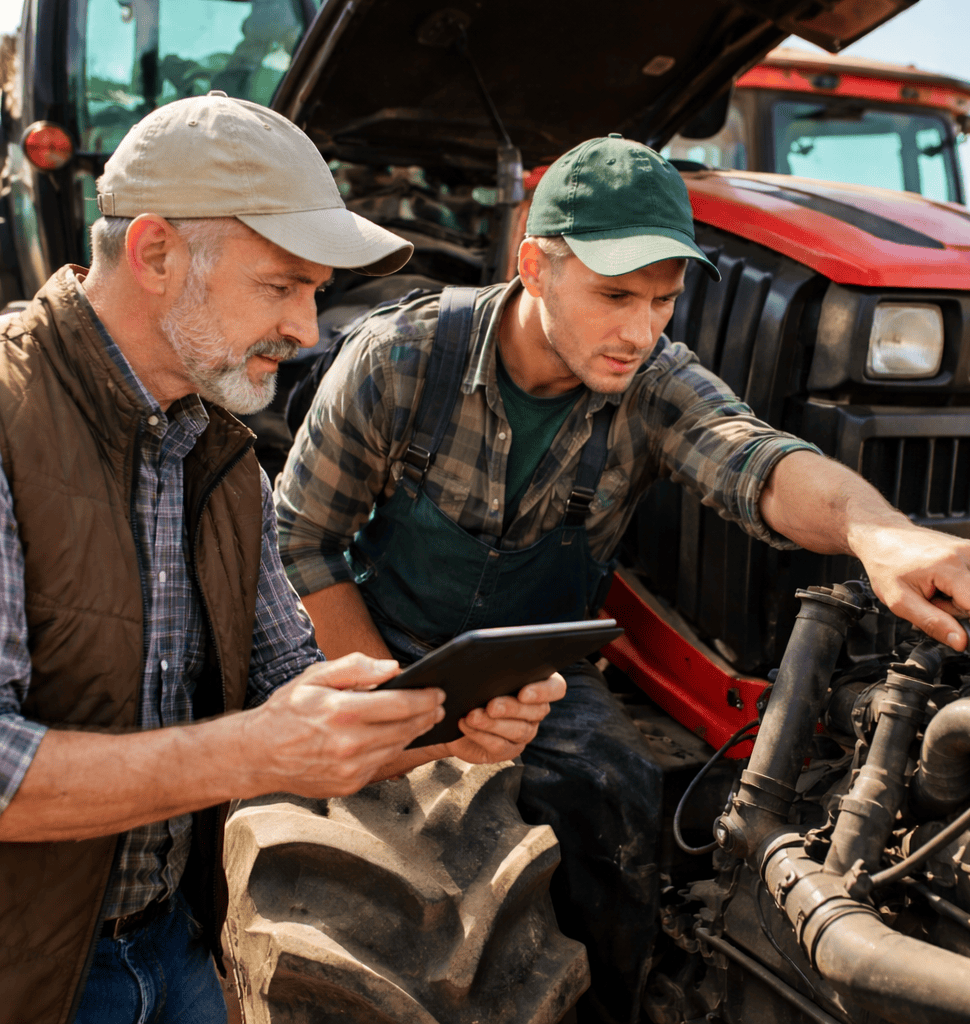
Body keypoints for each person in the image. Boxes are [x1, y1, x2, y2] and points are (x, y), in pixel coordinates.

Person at [274, 133, 970, 1024]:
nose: (641, 329)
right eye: (614, 295)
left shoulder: (654, 381)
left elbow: (754, 460)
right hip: (382, 647)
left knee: (614, 788)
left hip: (532, 666)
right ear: (533, 265)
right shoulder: (397, 361)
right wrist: (400, 712)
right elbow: (300, 542)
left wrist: (875, 531)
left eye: (663, 298)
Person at [0, 92, 565, 1024]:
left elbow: (294, 695)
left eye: (314, 293)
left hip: (168, 952)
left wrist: (446, 727)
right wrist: (246, 749)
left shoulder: (221, 463)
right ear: (154, 254)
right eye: (281, 285)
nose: (308, 329)